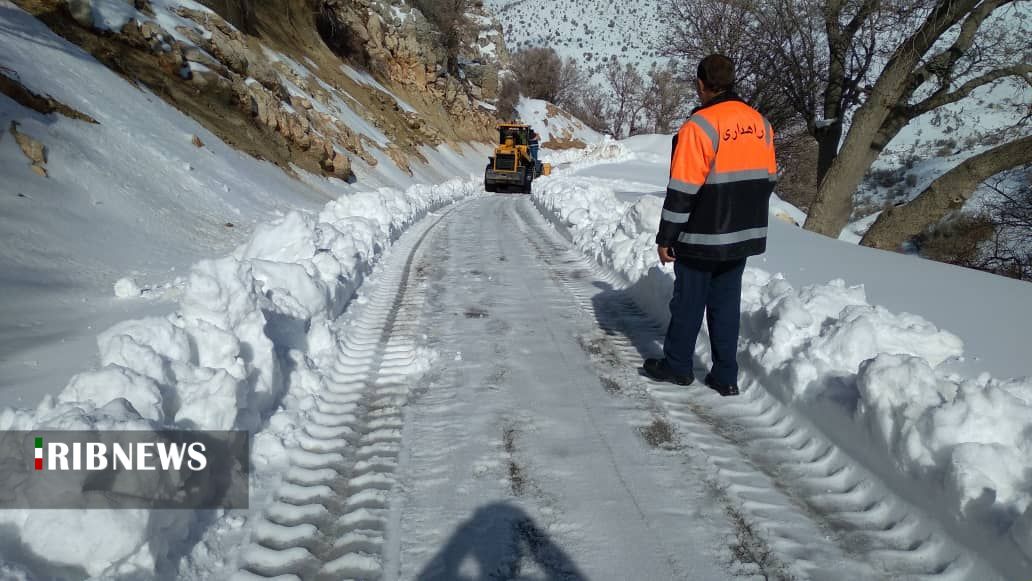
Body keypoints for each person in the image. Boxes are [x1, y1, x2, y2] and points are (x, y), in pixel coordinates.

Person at [643, 54, 777, 397]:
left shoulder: (699, 126)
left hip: (702, 235)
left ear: (701, 83)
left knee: (688, 301)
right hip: (744, 233)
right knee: (726, 304)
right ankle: (725, 376)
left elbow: (682, 190)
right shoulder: (761, 123)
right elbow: (768, 179)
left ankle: (677, 366)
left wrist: (667, 236)